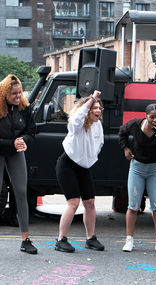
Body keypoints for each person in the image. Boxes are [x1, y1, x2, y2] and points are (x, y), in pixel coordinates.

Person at [0, 74, 37, 254]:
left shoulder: (24, 108)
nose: (18, 96)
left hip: (15, 151)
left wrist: (23, 139)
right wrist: (10, 143)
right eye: (14, 93)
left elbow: (32, 130)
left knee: (21, 191)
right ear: (5, 94)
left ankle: (25, 239)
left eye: (20, 92)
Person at [119, 104, 156, 253]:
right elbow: (122, 132)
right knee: (133, 206)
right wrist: (125, 148)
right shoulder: (135, 124)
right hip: (137, 168)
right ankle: (129, 240)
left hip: (154, 169)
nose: (155, 120)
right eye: (152, 117)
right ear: (146, 116)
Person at [54, 90, 105, 253]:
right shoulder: (76, 125)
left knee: (90, 202)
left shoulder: (98, 126)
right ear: (87, 111)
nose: (98, 110)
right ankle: (61, 239)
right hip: (67, 164)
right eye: (94, 108)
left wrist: (89, 159)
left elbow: (99, 144)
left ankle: (91, 238)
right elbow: (77, 117)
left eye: (99, 108)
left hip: (83, 167)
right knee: (73, 202)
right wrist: (91, 99)